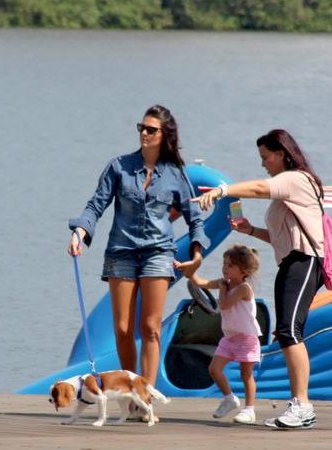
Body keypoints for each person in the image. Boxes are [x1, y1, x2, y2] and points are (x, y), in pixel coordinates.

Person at [67, 104, 209, 421]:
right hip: (121, 251)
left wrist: (197, 251)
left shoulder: (176, 174)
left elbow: (194, 218)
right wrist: (80, 232)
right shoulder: (119, 166)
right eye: (141, 128)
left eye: (151, 129)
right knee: (121, 329)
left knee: (151, 328)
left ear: (164, 135)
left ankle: (145, 397)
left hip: (159, 252)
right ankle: (130, 393)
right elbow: (96, 205)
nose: (144, 134)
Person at [192, 129, 324, 430]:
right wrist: (250, 230)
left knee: (290, 331)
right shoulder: (289, 184)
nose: (263, 163)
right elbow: (281, 239)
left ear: (281, 154)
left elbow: (260, 188)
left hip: (305, 261)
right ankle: (300, 406)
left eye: (266, 157)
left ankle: (302, 405)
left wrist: (222, 190)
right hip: (291, 261)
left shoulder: (295, 179)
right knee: (289, 330)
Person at [177, 244, 262, 425]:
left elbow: (224, 305)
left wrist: (222, 289)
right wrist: (190, 271)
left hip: (246, 337)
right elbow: (200, 283)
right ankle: (230, 398)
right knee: (214, 369)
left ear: (243, 270)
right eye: (224, 264)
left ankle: (249, 410)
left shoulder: (244, 289)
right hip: (230, 337)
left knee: (246, 374)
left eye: (230, 265)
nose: (225, 269)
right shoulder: (226, 283)